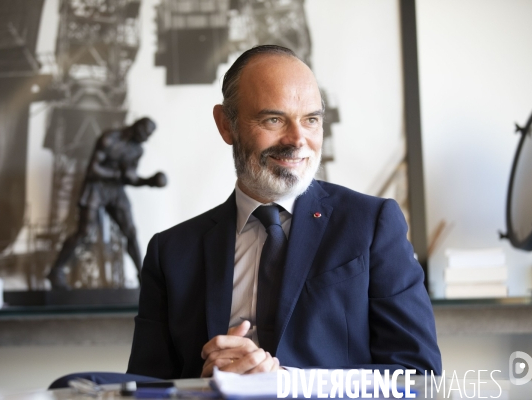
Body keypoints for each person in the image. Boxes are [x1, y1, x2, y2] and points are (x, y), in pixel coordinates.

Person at [127, 45, 441, 378]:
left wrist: (286, 382)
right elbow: (145, 388)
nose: (297, 140)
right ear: (226, 125)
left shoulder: (373, 224)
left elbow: (419, 375)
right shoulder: (171, 253)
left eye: (311, 120)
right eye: (273, 119)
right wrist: (202, 387)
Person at [47, 117, 167, 290]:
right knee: (84, 232)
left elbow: (129, 178)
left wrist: (149, 181)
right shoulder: (110, 138)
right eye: (145, 133)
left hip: (115, 190)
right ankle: (56, 270)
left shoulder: (137, 150)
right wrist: (118, 175)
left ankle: (143, 276)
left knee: (131, 232)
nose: (146, 139)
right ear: (137, 127)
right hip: (95, 188)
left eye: (149, 136)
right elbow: (93, 170)